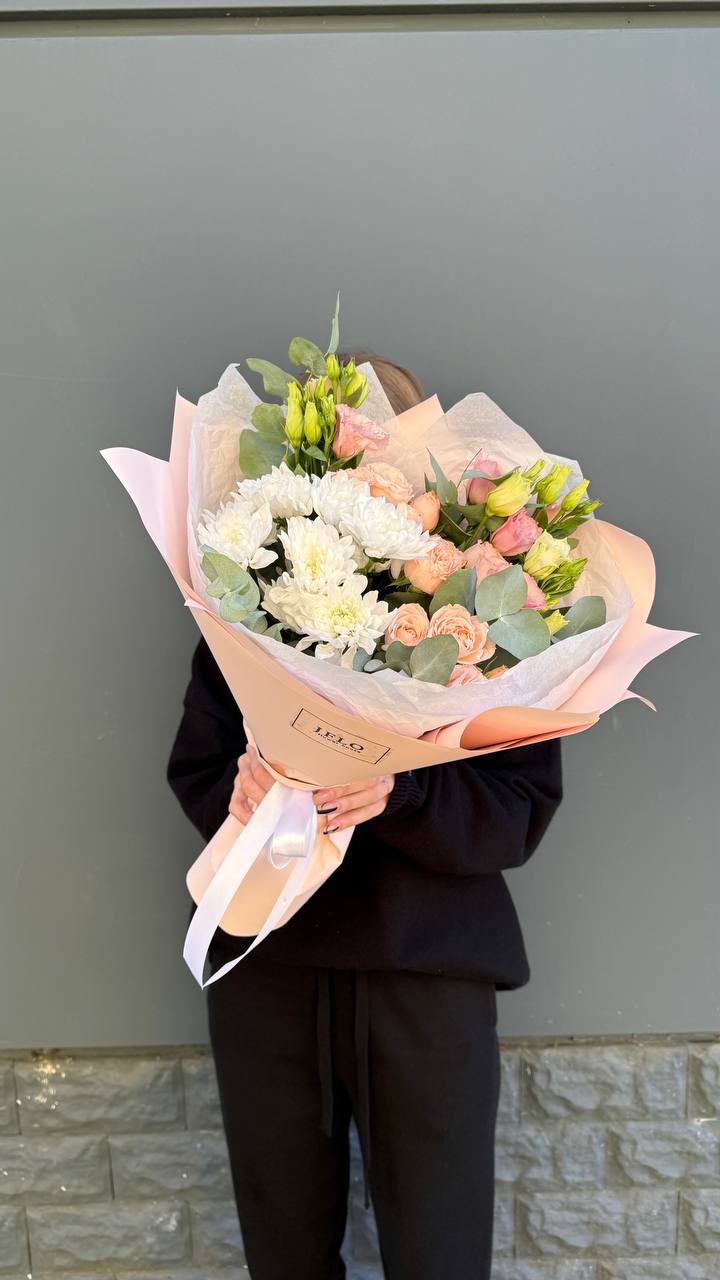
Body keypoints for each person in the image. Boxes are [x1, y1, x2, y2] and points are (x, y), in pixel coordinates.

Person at [167, 351, 563, 1280]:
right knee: (285, 1257)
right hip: (269, 968)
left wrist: (402, 789)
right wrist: (245, 789)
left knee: (441, 1257)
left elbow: (518, 812)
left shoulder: (498, 630)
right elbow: (195, 769)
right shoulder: (246, 603)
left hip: (427, 977)